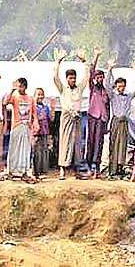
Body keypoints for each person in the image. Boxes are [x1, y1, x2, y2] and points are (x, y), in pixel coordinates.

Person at [53, 47, 90, 180]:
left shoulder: (79, 88)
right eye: (70, 78)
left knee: (77, 143)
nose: (73, 80)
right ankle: (62, 169)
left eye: (74, 78)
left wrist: (84, 61)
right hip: (67, 116)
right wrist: (59, 61)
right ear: (67, 79)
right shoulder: (63, 89)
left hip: (77, 117)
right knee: (65, 141)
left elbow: (87, 77)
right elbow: (55, 77)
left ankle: (77, 170)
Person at [106, 58, 135, 179]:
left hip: (124, 121)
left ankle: (120, 169)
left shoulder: (128, 96)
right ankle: (112, 170)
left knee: (123, 145)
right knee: (113, 145)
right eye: (119, 86)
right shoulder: (113, 95)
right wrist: (110, 69)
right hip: (116, 121)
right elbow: (106, 85)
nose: (121, 88)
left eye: (123, 86)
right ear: (116, 86)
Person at [4, 78, 39, 182]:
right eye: (18, 86)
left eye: (21, 86)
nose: (19, 88)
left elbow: (33, 112)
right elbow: (5, 102)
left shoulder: (30, 98)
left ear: (25, 87)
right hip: (16, 126)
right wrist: (12, 89)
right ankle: (11, 172)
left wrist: (35, 121)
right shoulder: (14, 96)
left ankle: (23, 172)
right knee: (14, 149)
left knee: (25, 150)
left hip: (27, 126)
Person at [86, 46, 110, 179]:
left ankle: (97, 166)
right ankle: (89, 166)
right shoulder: (92, 88)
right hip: (92, 118)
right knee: (90, 141)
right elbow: (90, 72)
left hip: (102, 120)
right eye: (98, 77)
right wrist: (96, 57)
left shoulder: (106, 91)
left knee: (99, 143)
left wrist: (107, 122)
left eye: (101, 77)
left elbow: (108, 107)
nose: (99, 79)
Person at [33, 88, 55, 180]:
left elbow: (51, 118)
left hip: (45, 131)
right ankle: (36, 171)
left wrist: (53, 108)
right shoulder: (33, 107)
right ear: (34, 96)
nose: (40, 97)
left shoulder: (46, 107)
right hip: (36, 132)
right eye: (38, 94)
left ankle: (44, 169)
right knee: (37, 151)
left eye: (42, 95)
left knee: (44, 150)